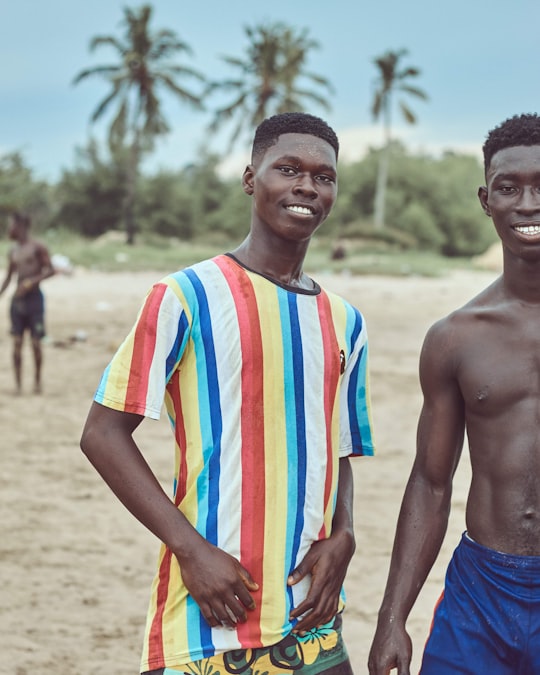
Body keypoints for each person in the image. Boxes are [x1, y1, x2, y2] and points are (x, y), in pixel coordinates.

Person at [80, 112, 376, 675]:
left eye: (324, 176)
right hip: (211, 610)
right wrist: (190, 550)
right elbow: (102, 434)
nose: (307, 187)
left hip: (311, 616)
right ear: (250, 178)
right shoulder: (184, 296)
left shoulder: (345, 321)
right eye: (288, 169)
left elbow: (335, 446)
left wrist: (346, 534)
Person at [368, 112, 540, 675]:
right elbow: (430, 480)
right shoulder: (455, 338)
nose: (527, 203)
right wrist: (392, 616)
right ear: (485, 199)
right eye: (509, 187)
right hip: (481, 593)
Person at [0, 210, 55, 394]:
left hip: (34, 301)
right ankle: (18, 386)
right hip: (17, 303)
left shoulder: (37, 247)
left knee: (35, 343)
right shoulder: (13, 251)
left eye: (11, 225)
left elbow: (50, 270)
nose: (9, 229)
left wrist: (32, 282)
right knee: (16, 343)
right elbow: (8, 277)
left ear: (21, 226)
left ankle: (37, 382)